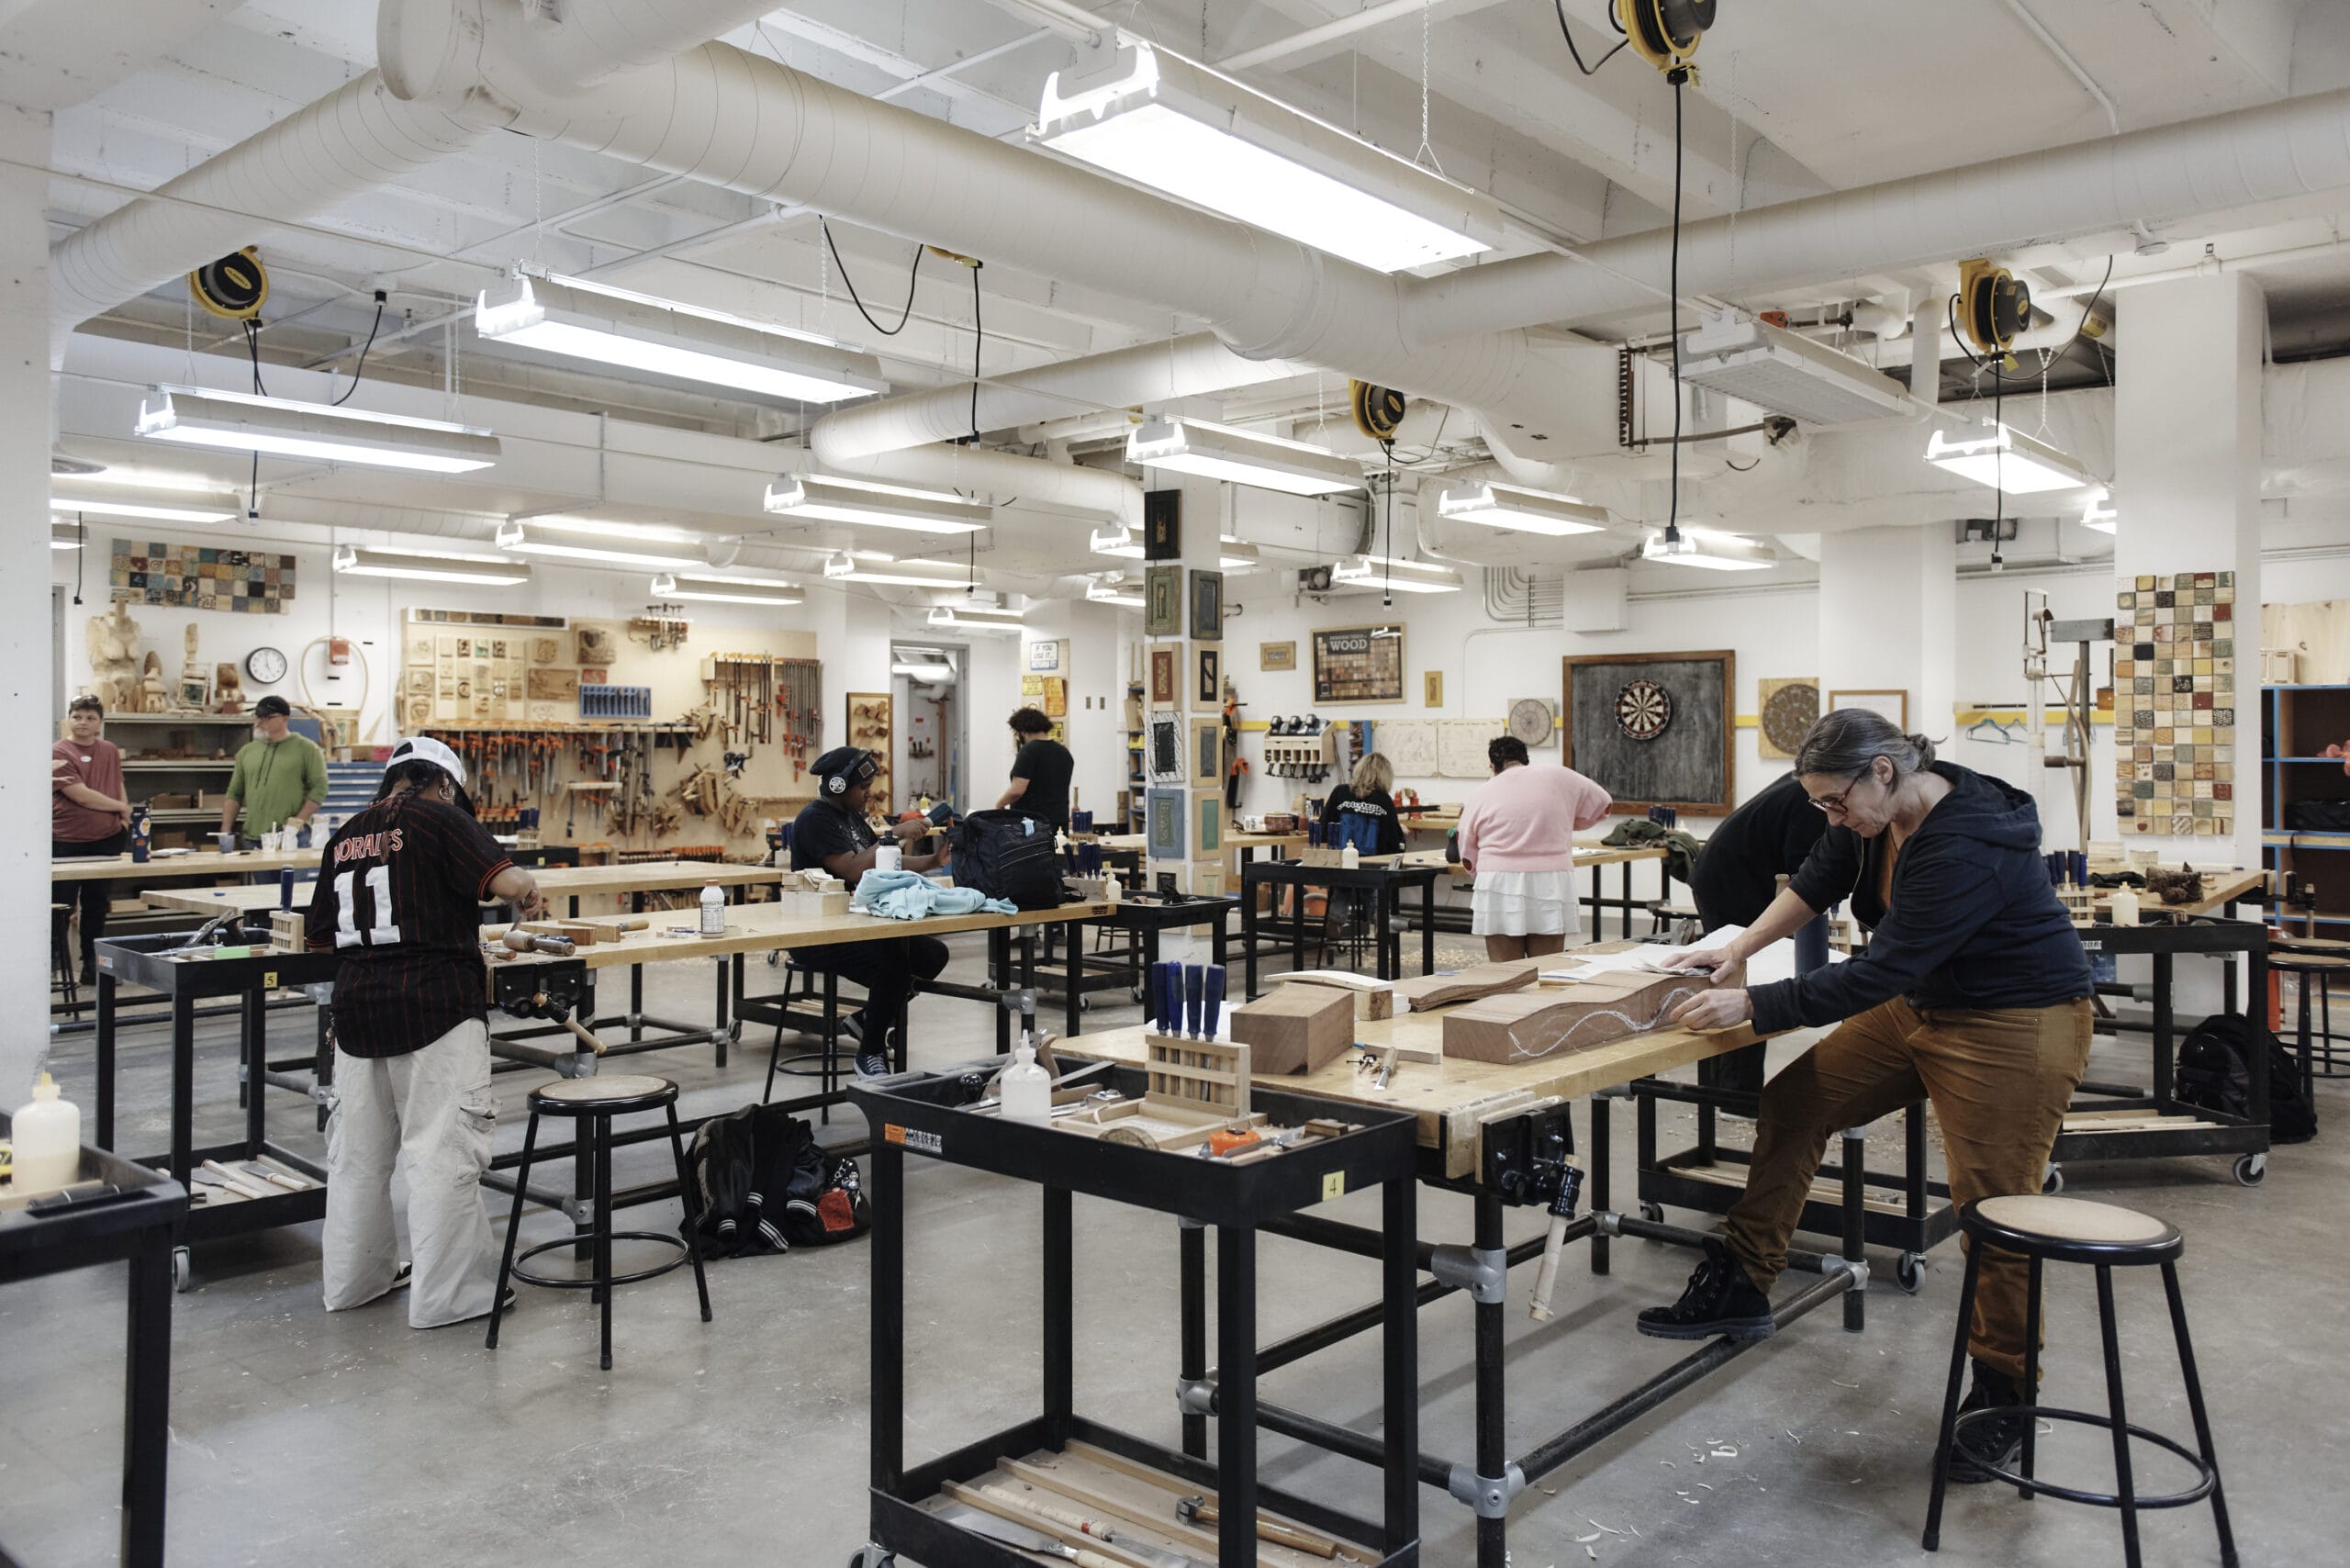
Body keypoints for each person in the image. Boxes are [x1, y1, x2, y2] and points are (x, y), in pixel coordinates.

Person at [1639, 711, 2094, 1484]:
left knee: (1995, 1210)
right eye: (1817, 804)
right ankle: (1745, 1281)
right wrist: (1734, 948)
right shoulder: (1871, 813)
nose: (1829, 817)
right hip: (1926, 1003)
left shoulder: (1965, 843)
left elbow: (1877, 972)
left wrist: (1755, 1007)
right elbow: (1820, 877)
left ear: (1884, 770)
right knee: (1796, 1102)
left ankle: (2006, 1393)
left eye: (1833, 802)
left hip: (2015, 1020)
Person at [305, 735, 546, 1328]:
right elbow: (509, 883)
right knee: (441, 1154)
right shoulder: (439, 817)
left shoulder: (344, 834)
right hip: (434, 1008)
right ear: (444, 784)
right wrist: (528, 892)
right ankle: (450, 1297)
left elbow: (318, 936)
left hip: (357, 1013)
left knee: (358, 1160)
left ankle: (355, 1282)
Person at [791, 746, 952, 1078]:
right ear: (837, 785)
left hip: (854, 924)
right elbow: (852, 869)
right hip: (817, 932)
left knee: (931, 955)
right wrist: (894, 835)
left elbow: (882, 862)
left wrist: (932, 862)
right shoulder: (813, 820)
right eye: (862, 788)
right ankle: (870, 1052)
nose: (868, 794)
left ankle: (868, 1021)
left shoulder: (852, 818)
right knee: (893, 964)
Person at [1685, 770, 1831, 1094]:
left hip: (1730, 874)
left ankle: (1725, 1088)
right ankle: (1735, 1094)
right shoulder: (1816, 801)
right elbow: (1806, 876)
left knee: (1741, 977)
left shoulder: (1806, 783)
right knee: (1744, 978)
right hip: (1729, 882)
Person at [1457, 735, 1613, 961]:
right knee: (1547, 967)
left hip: (1498, 881)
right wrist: (1571, 820)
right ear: (1526, 759)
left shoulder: (1482, 792)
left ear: (1493, 766)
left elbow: (1466, 849)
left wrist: (1476, 870)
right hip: (1551, 880)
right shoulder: (1559, 775)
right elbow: (1604, 804)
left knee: (1506, 971)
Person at [52, 695, 132, 983]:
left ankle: (92, 967)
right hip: (66, 839)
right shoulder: (58, 751)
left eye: (89, 718)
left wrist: (123, 821)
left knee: (97, 905)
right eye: (77, 717)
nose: (83, 723)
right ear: (69, 719)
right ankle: (54, 969)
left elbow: (117, 783)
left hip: (106, 839)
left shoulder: (109, 750)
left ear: (100, 722)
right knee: (61, 906)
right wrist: (122, 808)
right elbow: (81, 795)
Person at [220, 694, 328, 846]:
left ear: (285, 718)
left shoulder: (308, 749)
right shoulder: (246, 752)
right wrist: (225, 831)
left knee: (289, 870)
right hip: (254, 837)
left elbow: (319, 789)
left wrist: (296, 823)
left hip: (292, 837)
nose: (260, 721)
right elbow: (234, 793)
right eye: (258, 716)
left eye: (267, 717)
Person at [996, 706, 1074, 831]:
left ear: (1023, 731)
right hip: (1059, 823)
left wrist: (999, 804)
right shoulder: (1064, 752)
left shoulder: (1029, 750)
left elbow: (1017, 790)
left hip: (1032, 825)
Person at [1320, 751, 1406, 857]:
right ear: (1385, 776)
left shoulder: (1340, 792)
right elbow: (1394, 843)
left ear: (1359, 770)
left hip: (1339, 865)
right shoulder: (1384, 800)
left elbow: (1322, 830)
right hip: (1373, 868)